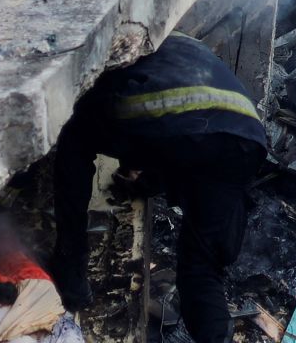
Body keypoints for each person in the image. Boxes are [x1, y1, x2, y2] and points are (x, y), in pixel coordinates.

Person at [49, 34, 268, 343]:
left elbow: (170, 129)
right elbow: (183, 144)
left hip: (178, 123)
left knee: (75, 135)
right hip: (245, 137)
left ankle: (70, 268)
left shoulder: (102, 47)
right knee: (202, 268)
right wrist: (147, 178)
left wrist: (136, 163)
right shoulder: (169, 40)